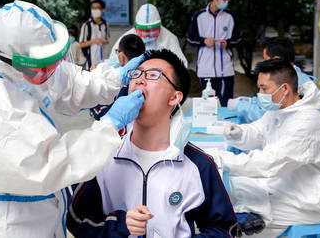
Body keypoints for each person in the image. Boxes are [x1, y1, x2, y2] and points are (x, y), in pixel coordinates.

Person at [0, 0, 146, 238]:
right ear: (17, 62)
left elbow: (67, 82)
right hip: (8, 222)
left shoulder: (14, 60)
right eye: (42, 66)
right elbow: (51, 164)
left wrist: (114, 77)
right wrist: (109, 126)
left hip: (38, 206)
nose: (50, 71)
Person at [67, 49, 237, 237]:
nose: (140, 80)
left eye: (153, 75)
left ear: (174, 97)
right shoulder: (103, 156)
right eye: (136, 74)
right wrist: (120, 225)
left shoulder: (200, 164)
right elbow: (77, 219)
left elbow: (223, 228)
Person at [207, 59, 320, 238]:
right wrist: (237, 133)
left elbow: (268, 163)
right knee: (230, 187)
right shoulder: (280, 108)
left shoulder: (308, 123)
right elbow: (258, 131)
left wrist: (220, 158)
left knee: (235, 222)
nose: (259, 93)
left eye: (264, 88)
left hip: (308, 201)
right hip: (285, 184)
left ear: (284, 89)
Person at [230, 36, 320, 123]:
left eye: (266, 60)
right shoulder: (295, 76)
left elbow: (268, 117)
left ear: (277, 60)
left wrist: (240, 106)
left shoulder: (296, 83)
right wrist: (252, 101)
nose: (265, 64)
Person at [186, 0, 241, 107]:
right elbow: (190, 38)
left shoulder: (230, 16)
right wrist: (203, 41)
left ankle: (226, 125)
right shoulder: (199, 16)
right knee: (208, 105)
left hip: (226, 69)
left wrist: (228, 43)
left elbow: (238, 39)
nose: (226, 2)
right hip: (205, 68)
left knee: (227, 102)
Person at [109, 3, 188, 68]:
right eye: (143, 31)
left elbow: (181, 65)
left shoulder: (169, 38)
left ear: (159, 26)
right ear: (136, 27)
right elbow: (112, 64)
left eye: (151, 31)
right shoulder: (126, 39)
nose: (147, 35)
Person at [89, 34, 146, 121]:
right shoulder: (147, 78)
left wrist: (93, 84)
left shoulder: (121, 85)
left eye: (117, 51)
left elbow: (100, 115)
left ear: (121, 56)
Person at [79, 0, 109, 69]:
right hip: (91, 60)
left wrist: (104, 41)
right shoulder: (87, 25)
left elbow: (107, 40)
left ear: (102, 10)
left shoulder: (105, 23)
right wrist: (94, 41)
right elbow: (81, 44)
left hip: (103, 58)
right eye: (93, 8)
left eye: (97, 8)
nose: (95, 10)